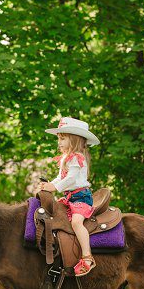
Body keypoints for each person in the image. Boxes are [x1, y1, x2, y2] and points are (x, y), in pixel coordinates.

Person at [44, 116, 102, 275]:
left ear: (75, 140)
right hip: (69, 197)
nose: (59, 142)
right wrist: (50, 185)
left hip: (81, 198)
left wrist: (54, 187)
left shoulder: (78, 158)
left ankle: (87, 257)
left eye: (63, 139)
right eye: (59, 139)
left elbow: (71, 179)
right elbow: (61, 177)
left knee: (77, 223)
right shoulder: (65, 158)